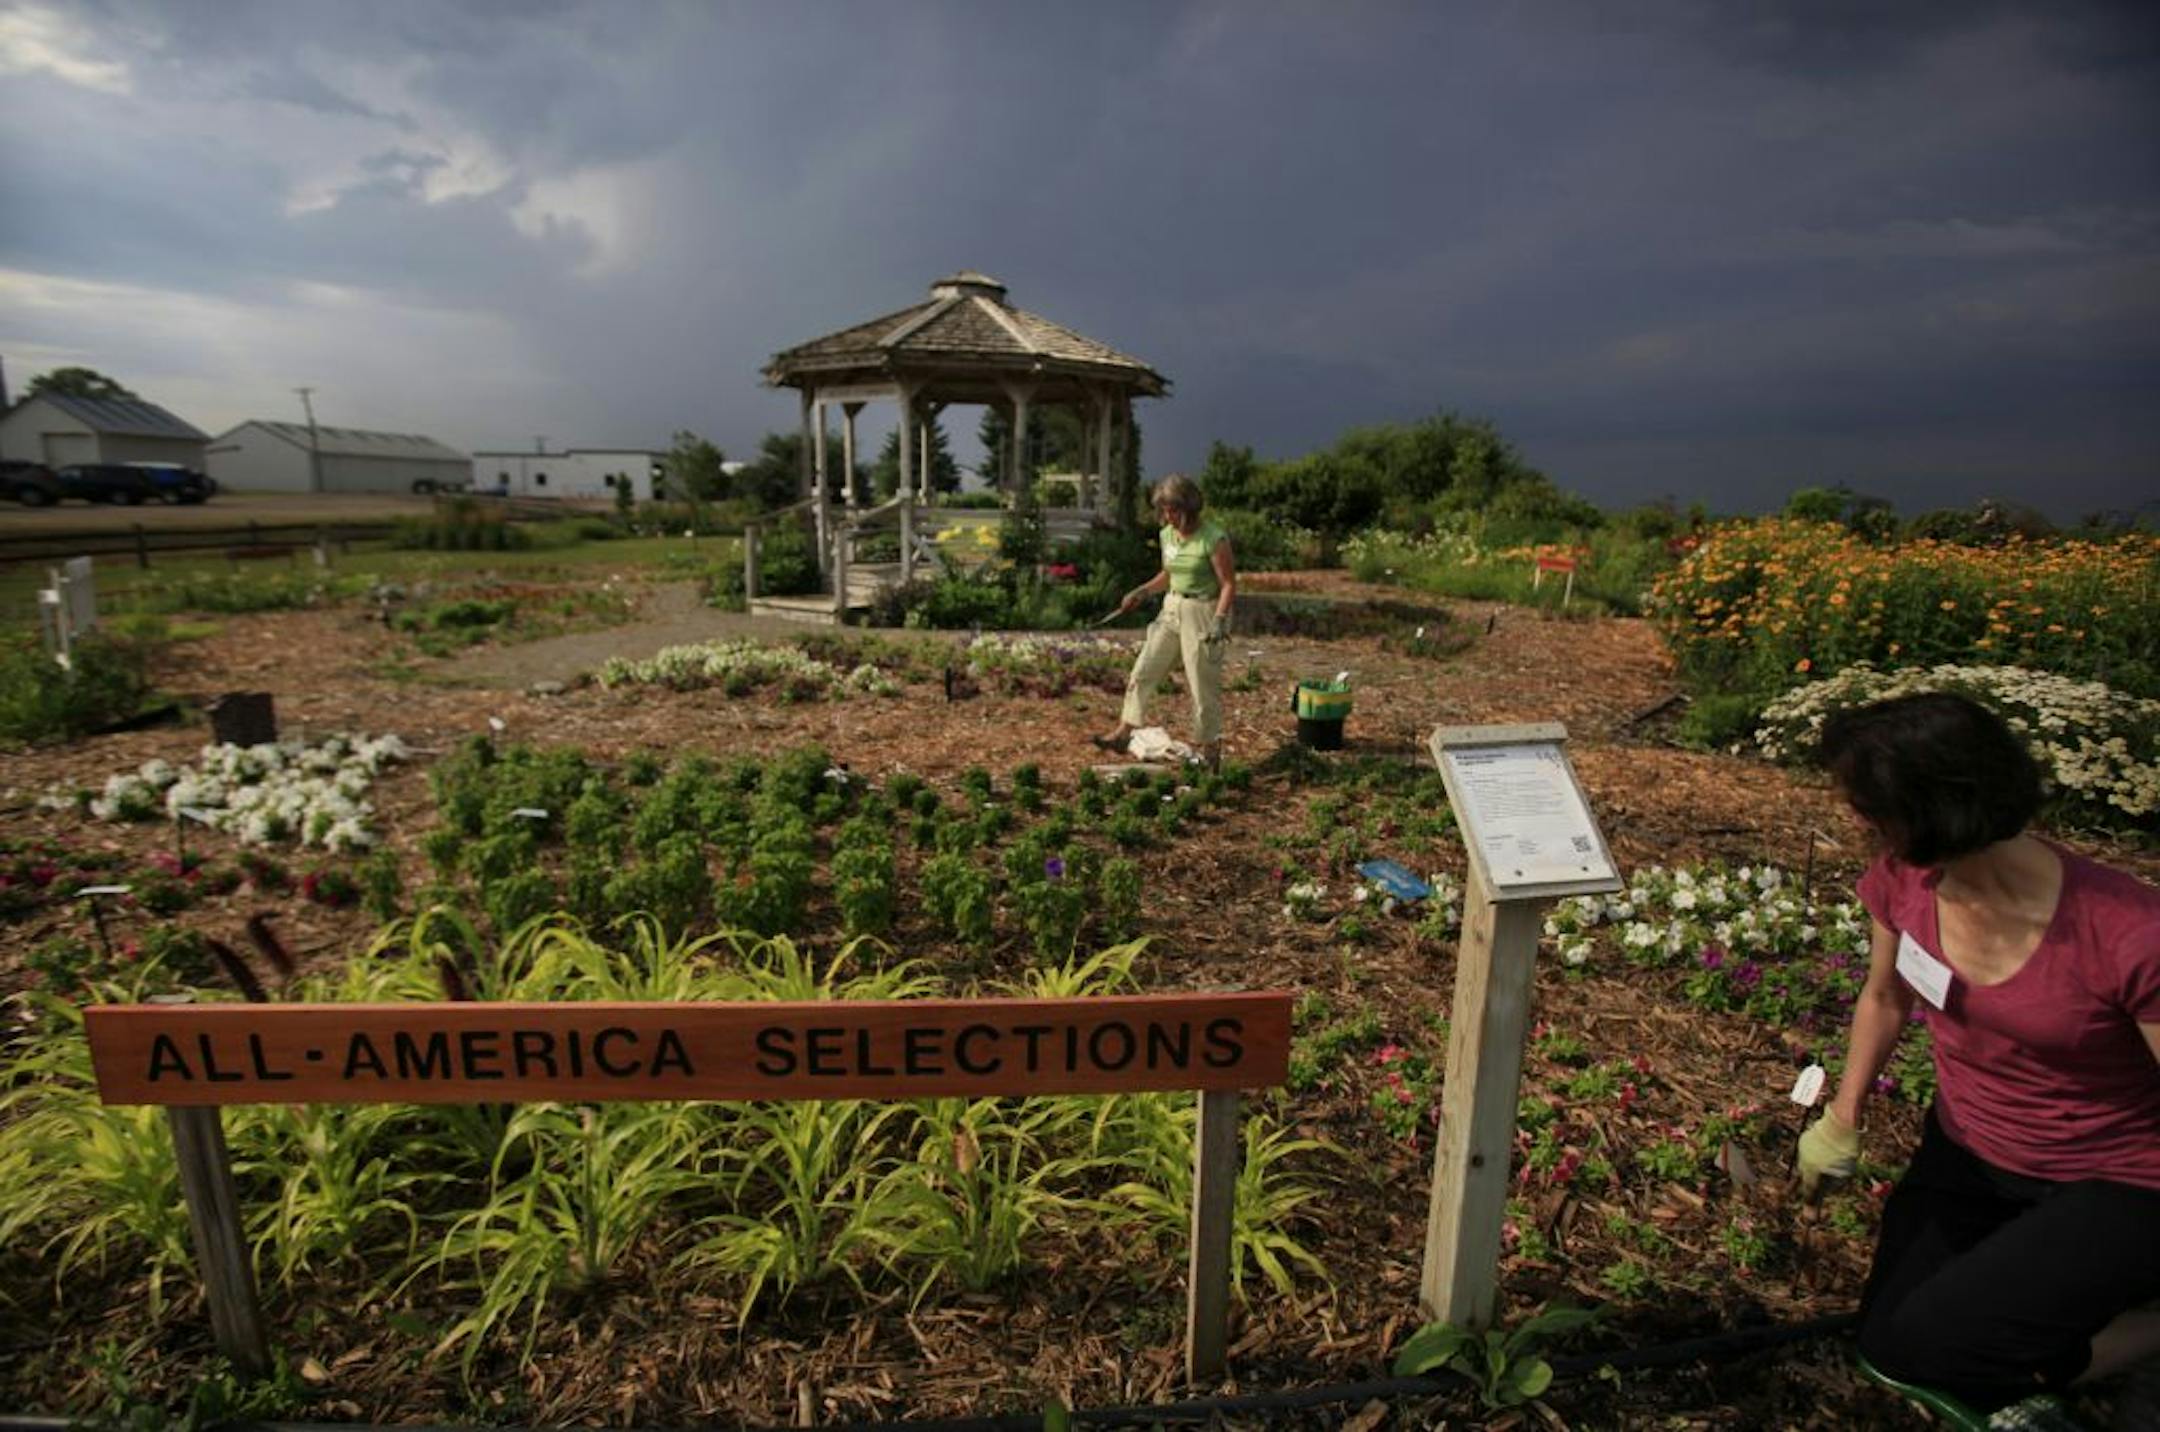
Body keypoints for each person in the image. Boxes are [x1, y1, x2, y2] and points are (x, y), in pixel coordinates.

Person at [1797, 692, 2160, 1420]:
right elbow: (1887, 998)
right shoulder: (1904, 879)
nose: (1857, 820)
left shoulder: (2128, 932)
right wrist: (1842, 1116)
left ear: (1936, 805)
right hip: (1970, 1153)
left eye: (1870, 805)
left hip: (2117, 1180)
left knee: (1945, 1350)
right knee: (1886, 1339)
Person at [1092, 474, 1237, 769]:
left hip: (1203, 611)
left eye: (1173, 510)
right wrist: (1143, 591)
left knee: (1200, 684)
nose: (1167, 516)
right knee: (1144, 668)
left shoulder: (1213, 538)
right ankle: (1124, 732)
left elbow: (1228, 584)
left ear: (1190, 508)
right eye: (1164, 510)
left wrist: (1220, 619)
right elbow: (1168, 574)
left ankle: (1210, 751)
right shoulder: (1166, 535)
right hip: (1171, 607)